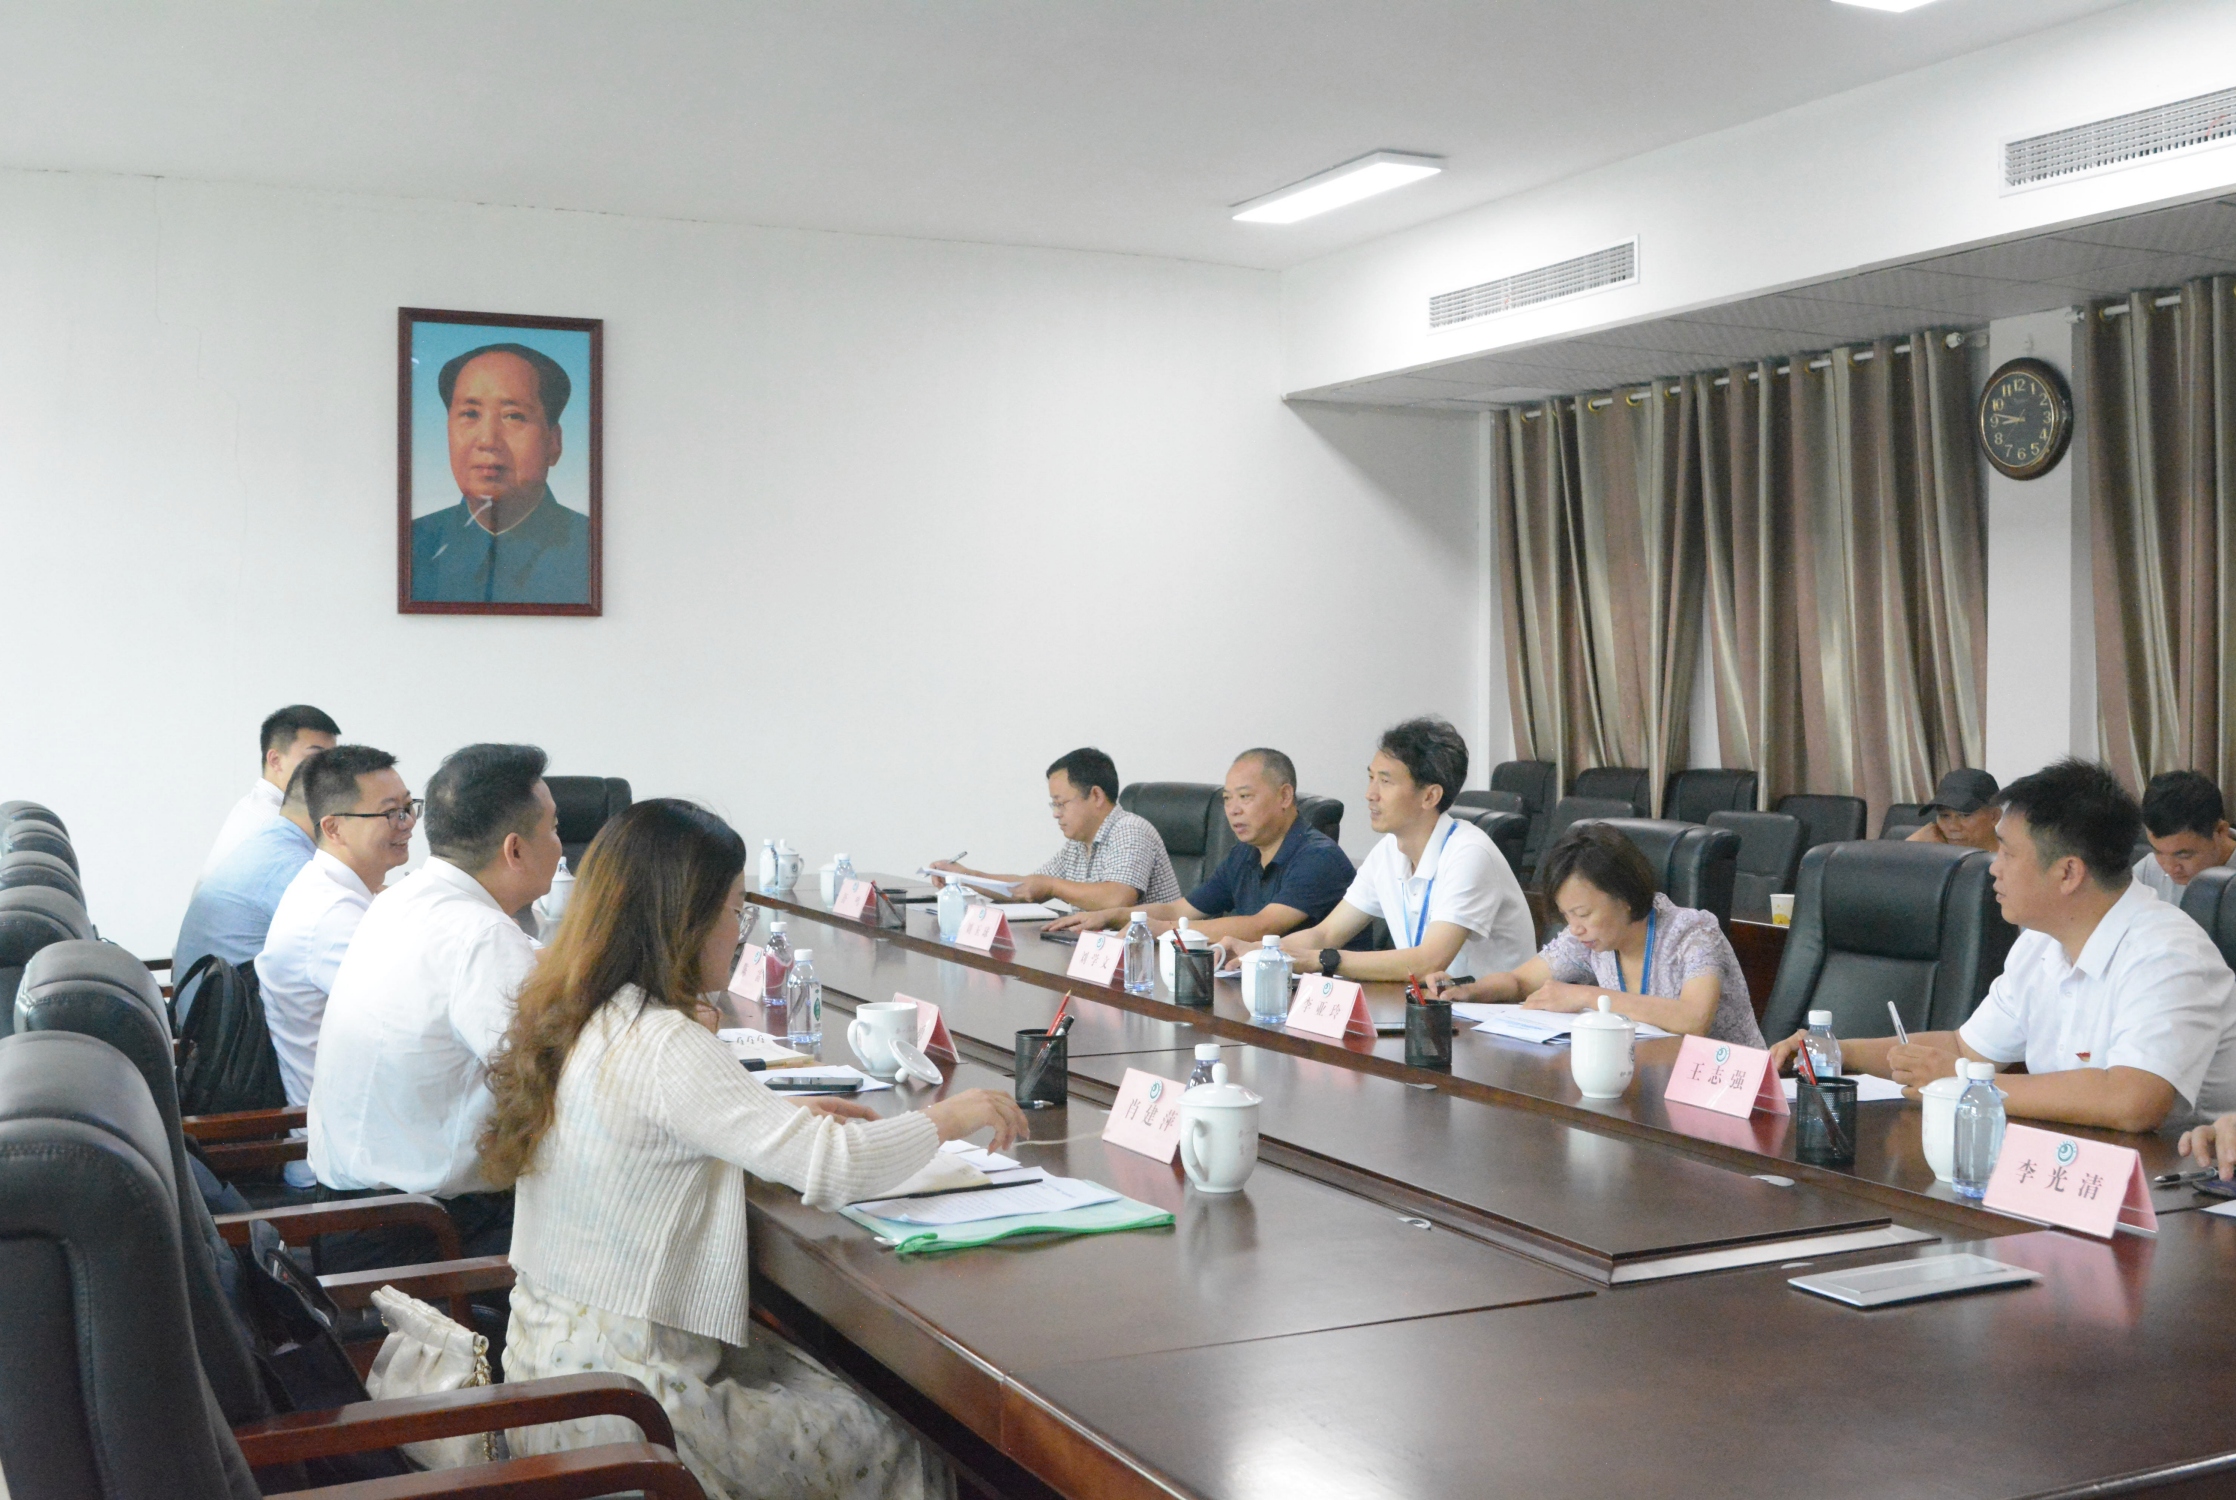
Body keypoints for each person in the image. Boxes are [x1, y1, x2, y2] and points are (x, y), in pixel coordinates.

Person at [483, 799, 1022, 1500]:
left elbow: (648, 1128)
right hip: (635, 1411)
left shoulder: (584, 1011)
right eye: (736, 911)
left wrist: (767, 1116)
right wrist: (950, 1116)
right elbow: (834, 1166)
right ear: (685, 919)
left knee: (838, 1378)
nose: (740, 934)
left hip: (551, 1376)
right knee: (901, 1436)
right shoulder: (664, 1042)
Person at [1773, 759, 2236, 1132]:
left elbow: (2133, 1101)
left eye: (2009, 854)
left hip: (2181, 1186)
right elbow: (1965, 1047)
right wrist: (1838, 1051)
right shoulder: (2041, 943)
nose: (1993, 867)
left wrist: (1963, 1082)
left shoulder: (2168, 953)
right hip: (2074, 1163)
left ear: (2068, 873)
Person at [305, 743, 563, 1272]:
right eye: (555, 828)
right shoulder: (479, 934)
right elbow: (558, 1078)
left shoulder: (405, 898)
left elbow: (535, 966)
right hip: (420, 1237)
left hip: (354, 1216)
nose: (562, 848)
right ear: (515, 850)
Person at [1217, 718, 1533, 983]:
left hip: (1490, 1019)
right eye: (1371, 778)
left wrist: (1322, 960)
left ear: (1429, 796)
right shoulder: (1388, 852)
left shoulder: (1469, 854)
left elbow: (1428, 962)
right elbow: (1326, 934)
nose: (1370, 794)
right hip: (1431, 1011)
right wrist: (1260, 952)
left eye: (1385, 781)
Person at [1427, 823, 1763, 1045]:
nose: (1574, 927)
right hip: (1646, 1080)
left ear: (1624, 897)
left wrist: (1587, 998)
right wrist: (1468, 990)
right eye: (1567, 915)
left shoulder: (1694, 932)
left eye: (1584, 914)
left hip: (1729, 1091)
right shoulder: (1587, 941)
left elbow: (1694, 1019)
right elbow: (1519, 981)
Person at [255, 746, 416, 1123]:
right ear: (333, 828)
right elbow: (417, 1019)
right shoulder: (330, 916)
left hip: (371, 1109)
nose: (407, 822)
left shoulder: (345, 887)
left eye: (409, 807)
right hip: (346, 1134)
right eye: (390, 813)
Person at [1045, 748, 1353, 942]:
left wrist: (1169, 931)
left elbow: (1263, 927)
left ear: (1285, 796)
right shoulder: (1244, 855)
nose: (1233, 810)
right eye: (1227, 799)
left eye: (1245, 797)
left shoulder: (1317, 857)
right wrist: (1110, 916)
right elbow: (1179, 909)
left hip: (1326, 997)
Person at [410, 343, 592, 605]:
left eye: (513, 416)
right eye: (470, 414)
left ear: (554, 442)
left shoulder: (593, 548)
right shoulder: (411, 544)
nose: (487, 440)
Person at [931, 747, 1180, 908]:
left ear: (1096, 796)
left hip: (1149, 959)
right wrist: (964, 875)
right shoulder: (1078, 844)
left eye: (1061, 803)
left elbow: (1117, 898)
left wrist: (1051, 886)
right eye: (1054, 804)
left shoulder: (1130, 830)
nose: (1056, 813)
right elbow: (1026, 887)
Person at [173, 763, 317, 1023]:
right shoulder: (291, 866)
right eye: (387, 813)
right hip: (226, 1034)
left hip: (203, 1017)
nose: (396, 825)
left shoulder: (272, 837)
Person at [200, 704, 339, 879]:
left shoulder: (253, 807)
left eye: (331, 759)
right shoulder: (274, 824)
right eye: (315, 757)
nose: (329, 769)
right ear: (275, 760)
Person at [2134, 770, 2236, 905]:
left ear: (2220, 831)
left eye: (2183, 855)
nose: (2170, 868)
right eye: (2158, 851)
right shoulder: (2149, 869)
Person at [1906, 768, 2001, 852]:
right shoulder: (1935, 858)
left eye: (1964, 815)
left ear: (1994, 816)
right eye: (1945, 815)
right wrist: (1911, 846)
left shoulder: (2008, 862)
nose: (1953, 827)